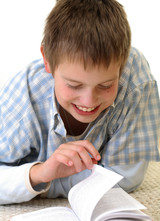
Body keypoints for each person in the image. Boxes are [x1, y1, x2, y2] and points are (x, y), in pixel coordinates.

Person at [0, 0, 159, 205]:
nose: (89, 101)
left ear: (123, 64)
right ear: (46, 60)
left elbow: (127, 178)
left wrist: (53, 182)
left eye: (106, 85)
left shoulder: (136, 79)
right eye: (74, 85)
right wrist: (41, 173)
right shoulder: (24, 97)